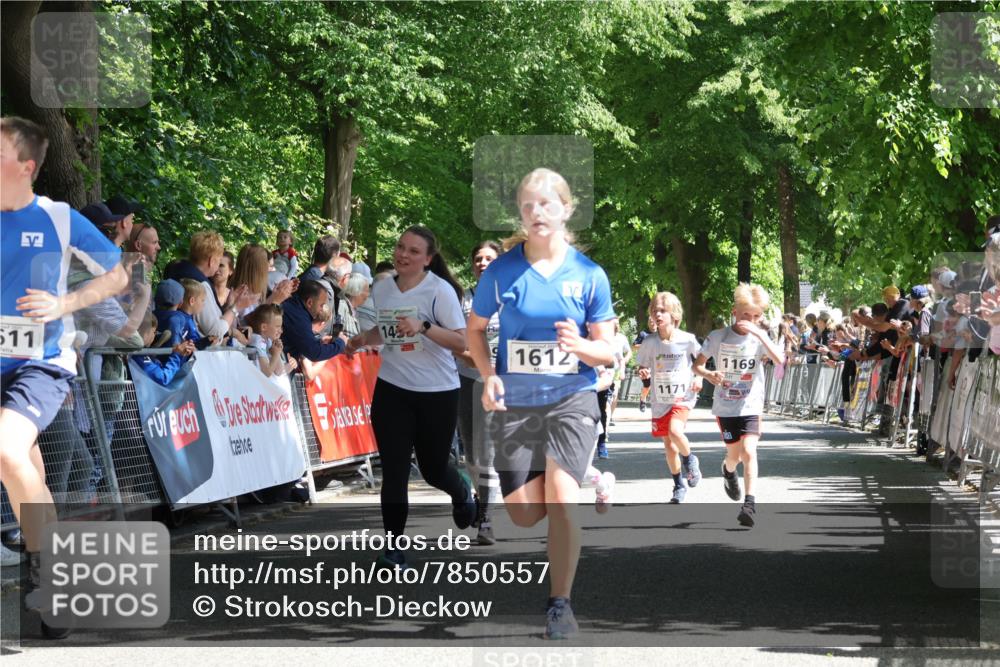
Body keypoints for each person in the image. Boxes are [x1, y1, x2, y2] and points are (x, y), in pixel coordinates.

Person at [466, 168, 616, 640]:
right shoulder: (502, 271)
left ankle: (560, 604)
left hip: (572, 397)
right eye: (528, 206)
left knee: (559, 499)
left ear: (566, 210)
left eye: (546, 204)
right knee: (525, 513)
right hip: (517, 403)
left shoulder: (589, 275)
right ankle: (586, 478)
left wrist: (580, 347)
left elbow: (607, 350)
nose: (536, 213)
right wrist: (489, 376)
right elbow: (474, 330)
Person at [1, 116, 129, 632]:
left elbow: (118, 276)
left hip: (40, 362)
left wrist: (64, 302)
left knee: (7, 452)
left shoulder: (59, 219)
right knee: (27, 472)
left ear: (26, 167)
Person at [347, 226, 477, 570]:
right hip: (393, 390)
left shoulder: (440, 291)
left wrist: (423, 327)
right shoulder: (383, 286)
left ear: (428, 259)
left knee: (434, 470)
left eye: (413, 251)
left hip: (437, 393)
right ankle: (393, 549)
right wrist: (362, 340)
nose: (403, 255)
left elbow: (462, 343)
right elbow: (387, 328)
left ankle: (462, 492)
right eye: (400, 247)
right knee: (394, 471)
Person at [693, 283, 784, 528]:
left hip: (751, 404)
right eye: (746, 315)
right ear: (735, 312)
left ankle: (749, 504)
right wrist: (709, 374)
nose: (750, 320)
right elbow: (697, 365)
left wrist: (762, 335)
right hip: (726, 406)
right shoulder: (718, 336)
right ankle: (728, 470)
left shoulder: (760, 338)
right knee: (734, 455)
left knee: (749, 451)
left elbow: (780, 360)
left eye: (756, 316)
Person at [635, 292, 703, 503]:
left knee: (675, 431)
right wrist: (643, 372)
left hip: (683, 395)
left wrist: (699, 378)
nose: (658, 314)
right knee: (668, 444)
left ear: (674, 314)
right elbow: (642, 366)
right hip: (660, 398)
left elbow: (701, 362)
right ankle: (678, 485)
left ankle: (690, 460)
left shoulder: (687, 339)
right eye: (655, 310)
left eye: (663, 310)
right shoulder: (649, 342)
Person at [456, 240, 503, 545]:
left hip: (502, 384)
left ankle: (485, 517)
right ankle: (475, 496)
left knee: (488, 453)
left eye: (489, 258)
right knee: (472, 454)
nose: (483, 263)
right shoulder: (462, 300)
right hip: (468, 380)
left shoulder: (512, 299)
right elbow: (458, 344)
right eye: (478, 258)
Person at [164, 231, 254, 343]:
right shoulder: (199, 285)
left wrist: (228, 305)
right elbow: (215, 332)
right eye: (218, 260)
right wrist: (236, 307)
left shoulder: (176, 270)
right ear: (212, 261)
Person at [280, 279, 347, 362]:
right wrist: (340, 343)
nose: (322, 309)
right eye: (321, 305)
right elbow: (315, 352)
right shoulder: (299, 318)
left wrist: (318, 342)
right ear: (309, 303)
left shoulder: (295, 306)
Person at [133, 312, 195, 386]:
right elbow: (164, 378)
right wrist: (177, 354)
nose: (155, 335)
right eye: (154, 332)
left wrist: (183, 354)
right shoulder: (138, 355)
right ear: (146, 333)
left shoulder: (140, 353)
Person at [245, 304, 296, 377]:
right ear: (264, 327)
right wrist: (276, 354)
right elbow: (267, 372)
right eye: (277, 327)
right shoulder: (258, 341)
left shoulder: (268, 341)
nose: (281, 331)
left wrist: (277, 350)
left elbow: (278, 371)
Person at [606, 319, 632, 427]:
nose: (616, 325)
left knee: (615, 394)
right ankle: (606, 414)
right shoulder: (604, 336)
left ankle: (610, 416)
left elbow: (629, 351)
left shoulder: (622, 338)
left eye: (617, 323)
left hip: (616, 370)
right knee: (606, 395)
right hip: (605, 370)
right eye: (614, 323)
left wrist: (624, 361)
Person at [633, 321, 654, 411]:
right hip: (645, 363)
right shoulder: (643, 334)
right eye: (650, 322)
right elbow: (634, 346)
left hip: (659, 362)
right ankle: (643, 399)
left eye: (654, 322)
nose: (652, 323)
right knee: (647, 384)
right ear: (648, 323)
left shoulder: (661, 333)